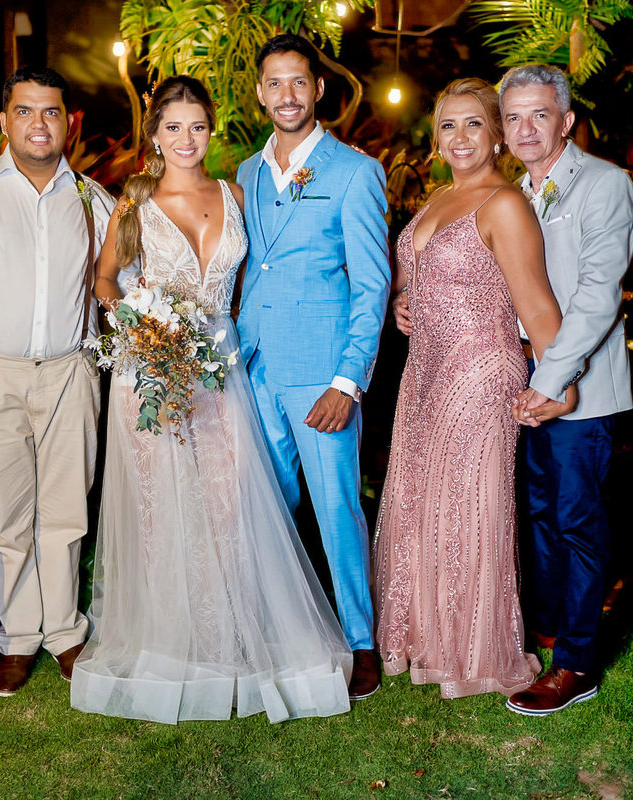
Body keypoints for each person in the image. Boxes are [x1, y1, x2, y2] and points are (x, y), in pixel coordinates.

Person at [70, 76, 352, 725]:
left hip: (222, 368)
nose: (186, 138)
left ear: (212, 129)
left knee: (228, 504)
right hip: (153, 369)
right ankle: (173, 643)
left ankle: (228, 635)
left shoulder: (234, 194)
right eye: (173, 127)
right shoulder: (135, 200)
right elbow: (105, 278)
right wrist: (139, 325)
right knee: (161, 509)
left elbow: (265, 272)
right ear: (154, 135)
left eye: (197, 126)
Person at [379, 77, 571, 699]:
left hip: (481, 371)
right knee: (420, 500)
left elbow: (535, 304)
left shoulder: (504, 203)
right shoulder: (439, 197)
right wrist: (403, 302)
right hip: (424, 371)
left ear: (496, 136)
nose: (460, 137)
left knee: (468, 507)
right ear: (436, 139)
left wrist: (559, 382)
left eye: (473, 124)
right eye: (448, 125)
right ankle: (428, 636)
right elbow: (422, 275)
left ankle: (476, 648)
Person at [0, 67, 114, 696]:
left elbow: (121, 280)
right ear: (4, 120)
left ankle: (63, 631)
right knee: (5, 514)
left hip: (70, 372)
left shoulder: (93, 198)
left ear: (69, 123)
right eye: (26, 111)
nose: (40, 123)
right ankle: (17, 637)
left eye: (51, 112)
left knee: (66, 509)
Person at [235, 34, 391, 700]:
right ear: (260, 92)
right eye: (275, 83)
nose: (287, 95)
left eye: (299, 82)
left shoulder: (355, 172)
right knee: (265, 506)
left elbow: (373, 285)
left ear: (318, 89)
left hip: (322, 374)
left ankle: (360, 641)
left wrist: (346, 382)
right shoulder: (245, 171)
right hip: (254, 367)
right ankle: (274, 629)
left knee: (335, 509)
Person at [501, 64, 633, 716]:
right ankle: (550, 632)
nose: (526, 129)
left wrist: (552, 378)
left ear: (567, 121)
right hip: (522, 386)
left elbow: (598, 296)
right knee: (538, 514)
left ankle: (576, 665)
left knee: (578, 522)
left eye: (539, 114)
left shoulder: (604, 184)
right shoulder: (509, 194)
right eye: (513, 117)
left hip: (582, 389)